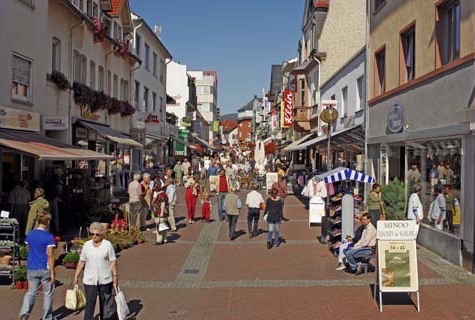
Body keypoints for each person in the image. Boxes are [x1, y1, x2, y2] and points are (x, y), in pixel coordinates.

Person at [74, 222, 118, 320]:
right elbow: (82, 261)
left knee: (105, 303)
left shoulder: (107, 245)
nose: (94, 236)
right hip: (90, 280)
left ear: (101, 234)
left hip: (105, 278)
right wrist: (76, 275)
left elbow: (112, 262)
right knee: (90, 303)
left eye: (97, 234)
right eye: (92, 234)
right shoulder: (87, 245)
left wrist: (115, 276)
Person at [19, 213, 56, 320]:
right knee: (47, 294)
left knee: (31, 292)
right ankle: (47, 317)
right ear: (48, 222)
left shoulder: (30, 234)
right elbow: (50, 255)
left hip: (32, 267)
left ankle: (25, 311)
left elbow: (28, 250)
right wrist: (53, 272)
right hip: (44, 267)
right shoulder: (49, 237)